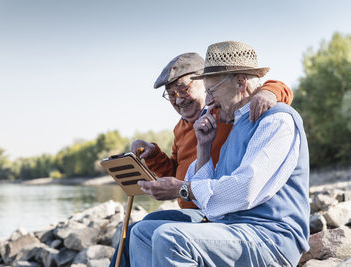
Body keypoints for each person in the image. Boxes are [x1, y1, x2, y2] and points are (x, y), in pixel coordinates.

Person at [130, 41, 310, 266]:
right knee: (141, 233)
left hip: (270, 237)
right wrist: (203, 147)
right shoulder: (233, 122)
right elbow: (208, 204)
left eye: (212, 90)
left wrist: (182, 188)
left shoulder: (276, 120)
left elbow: (245, 189)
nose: (209, 100)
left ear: (241, 82)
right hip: (230, 228)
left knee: (170, 238)